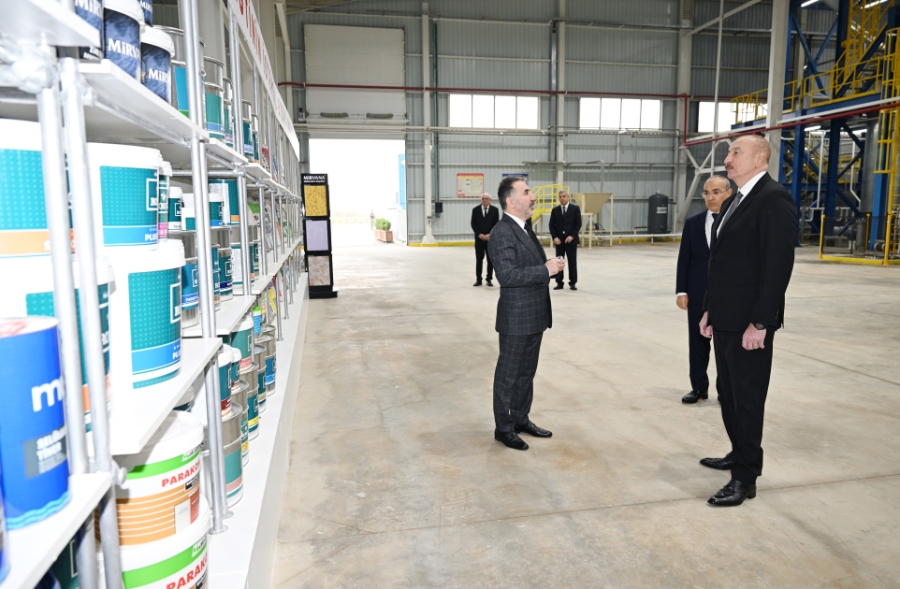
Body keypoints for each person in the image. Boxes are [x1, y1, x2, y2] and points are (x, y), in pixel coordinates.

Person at [698, 135, 797, 507]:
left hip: (748, 324)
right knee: (728, 394)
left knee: (748, 400)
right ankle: (738, 453)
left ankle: (745, 478)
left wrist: (761, 322)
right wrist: (709, 309)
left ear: (760, 158)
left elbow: (777, 266)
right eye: (728, 152)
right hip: (725, 318)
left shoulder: (773, 199)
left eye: (736, 152)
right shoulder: (734, 201)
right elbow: (720, 264)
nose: (728, 159)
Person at [488, 177, 565, 450]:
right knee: (508, 376)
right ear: (511, 201)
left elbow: (527, 265)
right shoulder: (502, 232)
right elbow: (507, 276)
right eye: (527, 192)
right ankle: (504, 428)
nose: (533, 197)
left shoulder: (524, 228)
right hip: (516, 317)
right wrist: (546, 270)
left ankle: (520, 419)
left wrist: (547, 265)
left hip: (534, 315)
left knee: (526, 373)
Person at [675, 176, 731, 404]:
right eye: (706, 193)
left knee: (725, 345)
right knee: (697, 343)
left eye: (716, 192)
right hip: (697, 292)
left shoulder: (737, 221)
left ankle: (726, 390)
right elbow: (684, 259)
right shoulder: (693, 223)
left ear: (728, 193)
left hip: (728, 294)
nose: (711, 197)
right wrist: (681, 291)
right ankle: (698, 387)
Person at [548, 189, 581, 290]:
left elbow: (578, 224)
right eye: (560, 197)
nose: (562, 198)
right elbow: (551, 225)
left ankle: (572, 282)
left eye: (564, 196)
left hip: (571, 241)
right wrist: (555, 237)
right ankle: (559, 282)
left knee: (572, 262)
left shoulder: (575, 209)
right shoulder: (555, 210)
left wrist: (572, 236)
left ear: (568, 197)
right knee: (559, 262)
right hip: (559, 242)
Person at [471, 193, 500, 287]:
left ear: (490, 200)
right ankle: (478, 279)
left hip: (490, 240)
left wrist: (490, 235)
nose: (484, 200)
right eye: (483, 198)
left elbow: (496, 224)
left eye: (486, 198)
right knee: (479, 260)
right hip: (479, 239)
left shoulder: (495, 210)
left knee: (490, 260)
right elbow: (473, 224)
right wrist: (479, 234)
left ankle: (489, 279)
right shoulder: (475, 210)